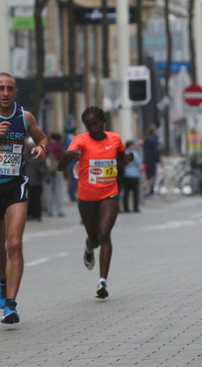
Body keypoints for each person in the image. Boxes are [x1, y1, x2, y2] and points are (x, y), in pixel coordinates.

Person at [0, 72, 48, 324]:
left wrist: (41, 148)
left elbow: (42, 137)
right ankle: (3, 281)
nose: (5, 93)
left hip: (16, 185)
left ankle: (11, 305)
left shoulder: (24, 117)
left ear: (15, 92)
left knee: (14, 243)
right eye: (0, 88)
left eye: (9, 88)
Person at [58, 107, 133, 299]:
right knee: (94, 238)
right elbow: (60, 167)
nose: (94, 128)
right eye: (89, 125)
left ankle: (102, 282)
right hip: (86, 197)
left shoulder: (114, 139)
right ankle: (89, 248)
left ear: (103, 122)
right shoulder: (80, 140)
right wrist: (67, 156)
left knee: (104, 234)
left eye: (96, 124)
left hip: (109, 194)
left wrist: (126, 159)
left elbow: (120, 160)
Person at [44, 132, 65, 217]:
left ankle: (49, 210)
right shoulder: (59, 146)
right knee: (58, 189)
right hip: (58, 169)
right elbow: (63, 157)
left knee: (48, 190)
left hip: (48, 170)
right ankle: (59, 210)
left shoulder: (47, 146)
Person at [24, 137, 45, 221]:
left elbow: (43, 166)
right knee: (28, 199)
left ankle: (37, 214)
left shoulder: (38, 153)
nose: (30, 147)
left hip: (36, 180)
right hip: (27, 180)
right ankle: (29, 214)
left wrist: (45, 176)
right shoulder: (24, 154)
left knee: (36, 199)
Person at [122, 140, 142, 213]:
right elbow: (139, 162)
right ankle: (135, 208)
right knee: (135, 192)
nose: (134, 147)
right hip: (134, 175)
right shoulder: (134, 154)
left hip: (125, 175)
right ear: (130, 146)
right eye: (133, 145)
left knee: (126, 192)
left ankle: (126, 208)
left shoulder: (123, 153)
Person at [143, 124, 160, 195]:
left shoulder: (147, 138)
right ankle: (151, 191)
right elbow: (155, 150)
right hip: (152, 161)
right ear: (155, 131)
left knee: (148, 176)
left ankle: (149, 190)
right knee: (153, 176)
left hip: (147, 160)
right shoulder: (154, 139)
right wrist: (158, 159)